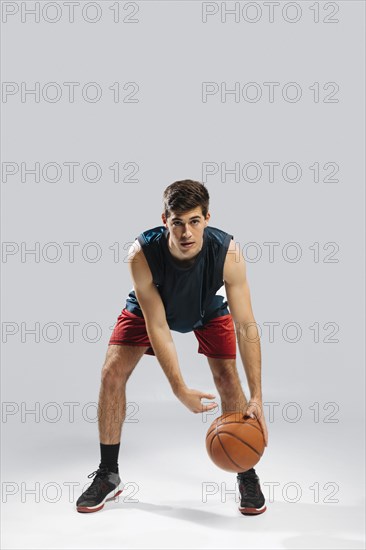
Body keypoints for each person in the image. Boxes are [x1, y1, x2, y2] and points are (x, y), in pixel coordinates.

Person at [76, 179, 268, 515]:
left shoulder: (228, 254)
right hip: (154, 307)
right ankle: (108, 474)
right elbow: (159, 326)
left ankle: (246, 471)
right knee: (111, 373)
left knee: (227, 378)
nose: (186, 233)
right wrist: (179, 389)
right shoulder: (142, 254)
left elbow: (247, 326)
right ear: (164, 219)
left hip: (204, 306)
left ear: (208, 218)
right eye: (177, 222)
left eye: (194, 221)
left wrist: (257, 397)